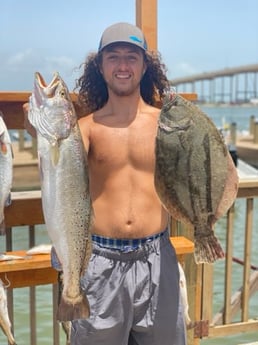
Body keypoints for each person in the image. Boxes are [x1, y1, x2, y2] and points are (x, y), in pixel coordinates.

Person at [24, 22, 187, 345]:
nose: (123, 65)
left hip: (157, 257)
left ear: (144, 65)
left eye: (132, 57)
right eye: (113, 57)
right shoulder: (82, 129)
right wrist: (41, 132)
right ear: (100, 66)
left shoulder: (167, 124)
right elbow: (61, 170)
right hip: (98, 261)